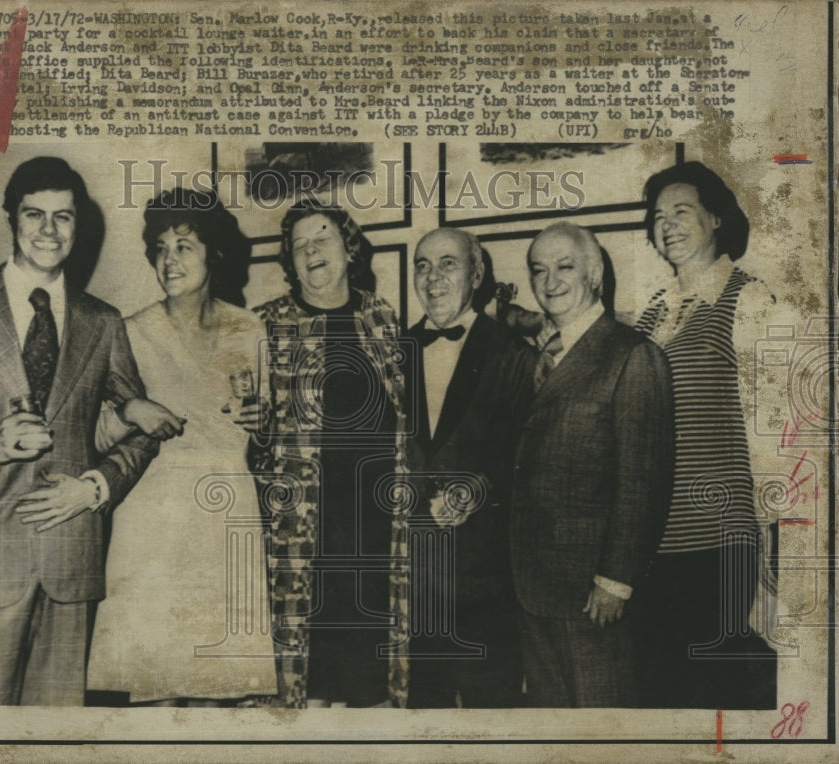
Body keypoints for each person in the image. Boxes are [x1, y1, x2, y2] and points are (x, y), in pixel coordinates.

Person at [0, 156, 158, 705]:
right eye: (35, 215)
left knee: (55, 736)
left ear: (78, 226)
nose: (49, 230)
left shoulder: (104, 321)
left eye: (63, 217)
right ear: (11, 220)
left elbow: (144, 424)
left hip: (73, 560)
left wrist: (97, 487)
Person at [85, 188, 278, 705]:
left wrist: (264, 425)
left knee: (220, 690)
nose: (169, 260)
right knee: (154, 688)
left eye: (184, 246)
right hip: (153, 516)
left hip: (226, 514)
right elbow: (95, 433)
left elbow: (265, 438)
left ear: (213, 252)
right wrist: (130, 412)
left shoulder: (251, 329)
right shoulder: (129, 332)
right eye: (161, 247)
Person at [249, 200, 410, 708]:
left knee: (372, 690)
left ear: (349, 247)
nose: (311, 250)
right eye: (299, 245)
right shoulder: (265, 326)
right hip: (305, 539)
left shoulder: (380, 317)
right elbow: (245, 443)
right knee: (309, 690)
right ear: (290, 262)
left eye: (322, 238)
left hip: (378, 532)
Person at [634, 161, 780, 709]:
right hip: (652, 542)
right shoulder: (652, 313)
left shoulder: (749, 299)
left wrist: (773, 541)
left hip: (718, 539)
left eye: (681, 212)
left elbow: (773, 427)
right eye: (657, 216)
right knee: (660, 697)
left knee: (712, 699)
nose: (666, 224)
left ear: (716, 218)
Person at [510, 222, 674, 707]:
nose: (550, 281)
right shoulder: (535, 358)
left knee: (603, 729)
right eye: (538, 270)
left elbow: (644, 481)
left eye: (565, 267)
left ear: (595, 272)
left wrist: (615, 581)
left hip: (592, 594)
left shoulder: (634, 356)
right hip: (532, 586)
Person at [404, 228, 534, 708]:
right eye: (422, 265)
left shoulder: (516, 354)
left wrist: (478, 490)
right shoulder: (391, 353)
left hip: (486, 580)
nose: (433, 277)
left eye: (448, 264)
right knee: (421, 722)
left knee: (493, 717)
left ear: (477, 275)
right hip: (412, 579)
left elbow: (526, 456)